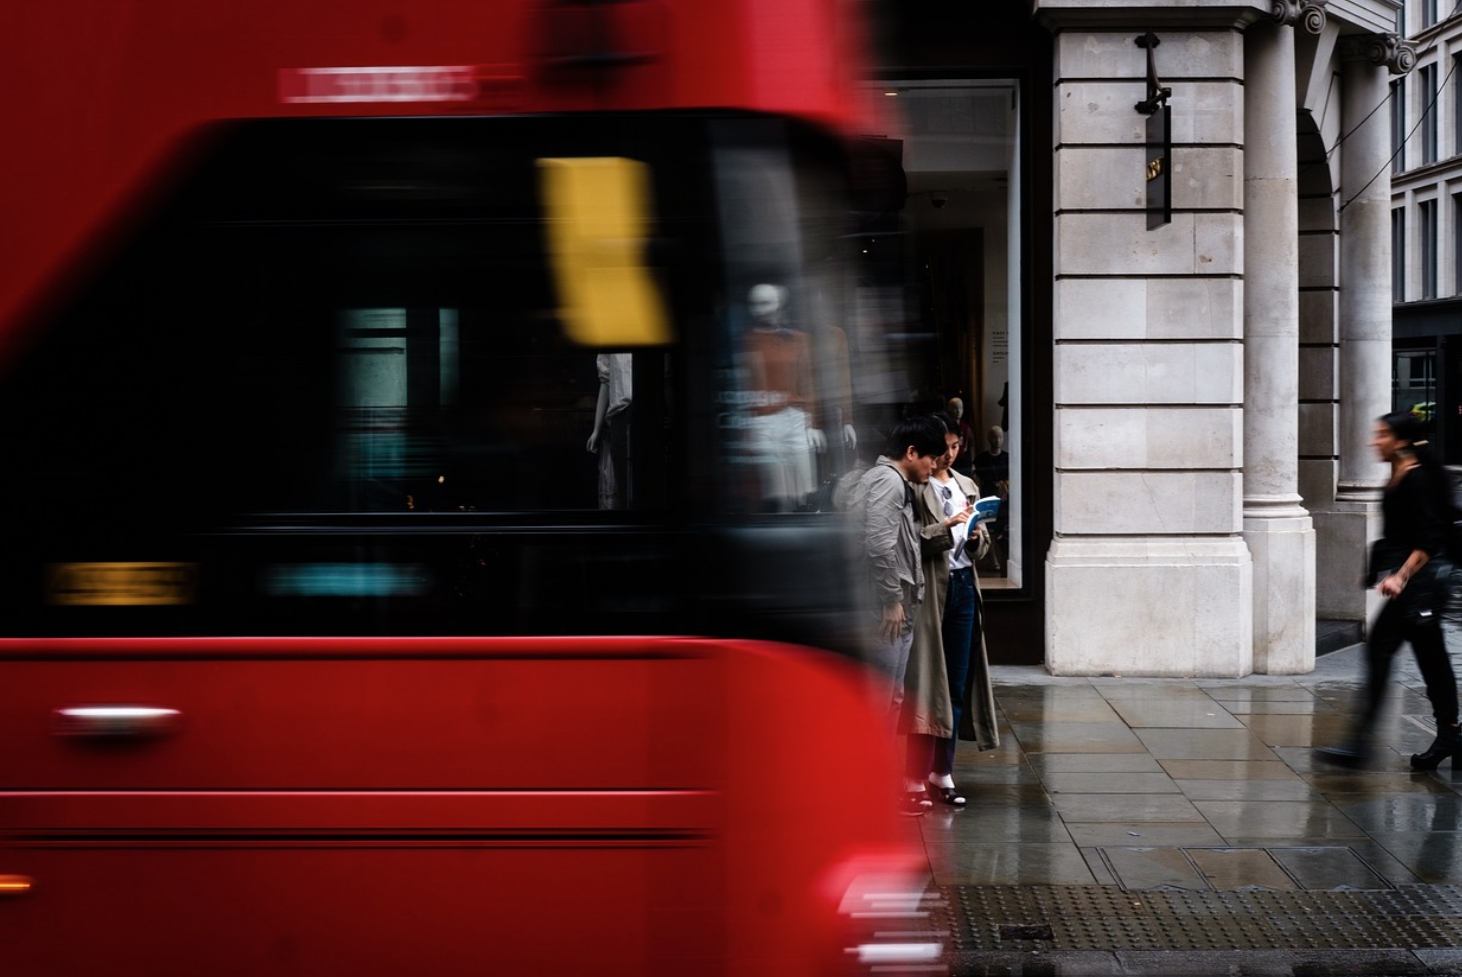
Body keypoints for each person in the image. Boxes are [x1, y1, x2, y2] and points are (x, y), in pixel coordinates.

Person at [1317, 411, 1460, 769]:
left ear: (1401, 441)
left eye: (1382, 435)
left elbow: (1429, 538)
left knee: (1390, 654)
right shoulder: (1401, 474)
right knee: (1431, 661)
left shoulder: (1418, 479)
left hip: (1419, 589)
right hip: (1414, 590)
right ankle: (1450, 734)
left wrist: (1401, 576)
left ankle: (1360, 745)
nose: (1374, 441)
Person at [846, 414, 948, 815]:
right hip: (886, 611)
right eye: (931, 458)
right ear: (911, 452)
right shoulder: (889, 482)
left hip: (896, 608)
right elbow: (878, 545)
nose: (934, 466)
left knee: (890, 699)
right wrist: (891, 599)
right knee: (880, 701)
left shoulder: (889, 481)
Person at [905, 413, 999, 808]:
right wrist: (945, 527)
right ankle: (913, 775)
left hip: (963, 587)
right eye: (944, 447)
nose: (949, 454)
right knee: (926, 684)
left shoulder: (966, 484)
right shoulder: (915, 484)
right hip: (931, 589)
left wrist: (975, 537)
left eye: (956, 446)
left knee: (957, 683)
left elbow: (983, 547)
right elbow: (908, 541)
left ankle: (942, 771)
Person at [739, 283, 822, 511]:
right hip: (764, 420)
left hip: (795, 417)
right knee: (780, 496)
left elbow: (807, 381)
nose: (761, 309)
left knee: (806, 490)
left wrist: (813, 423)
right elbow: (746, 384)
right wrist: (747, 425)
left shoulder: (798, 339)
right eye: (755, 304)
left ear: (780, 304)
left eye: (766, 303)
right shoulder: (748, 341)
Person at [586, 352, 632, 509]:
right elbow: (605, 382)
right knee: (622, 481)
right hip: (620, 416)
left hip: (649, 414)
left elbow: (666, 378)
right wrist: (596, 430)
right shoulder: (611, 343)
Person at [945, 397, 976, 477]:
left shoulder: (966, 427)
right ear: (949, 409)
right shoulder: (945, 427)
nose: (958, 411)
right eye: (955, 408)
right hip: (950, 459)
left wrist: (972, 461)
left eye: (960, 408)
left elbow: (971, 444)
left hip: (964, 460)